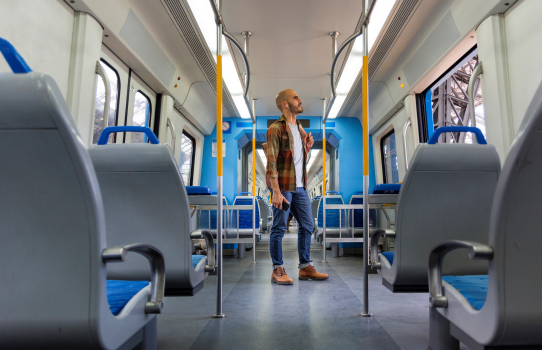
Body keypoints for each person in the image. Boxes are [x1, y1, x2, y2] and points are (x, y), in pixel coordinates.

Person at [266, 89, 329, 285]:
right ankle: (277, 269)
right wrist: (275, 191)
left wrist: (307, 148)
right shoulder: (276, 129)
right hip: (283, 186)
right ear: (285, 104)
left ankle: (305, 267)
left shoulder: (300, 129)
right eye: (295, 98)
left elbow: (299, 160)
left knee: (308, 224)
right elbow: (272, 162)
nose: (300, 100)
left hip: (300, 187)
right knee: (278, 227)